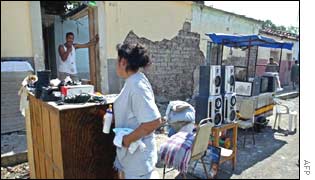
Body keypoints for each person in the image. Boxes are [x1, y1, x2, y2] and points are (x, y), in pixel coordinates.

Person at [112, 43, 162, 179]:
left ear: (123, 62)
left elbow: (153, 122)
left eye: (117, 61)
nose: (116, 64)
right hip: (132, 159)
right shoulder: (134, 80)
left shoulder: (136, 86)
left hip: (138, 161)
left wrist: (127, 140)